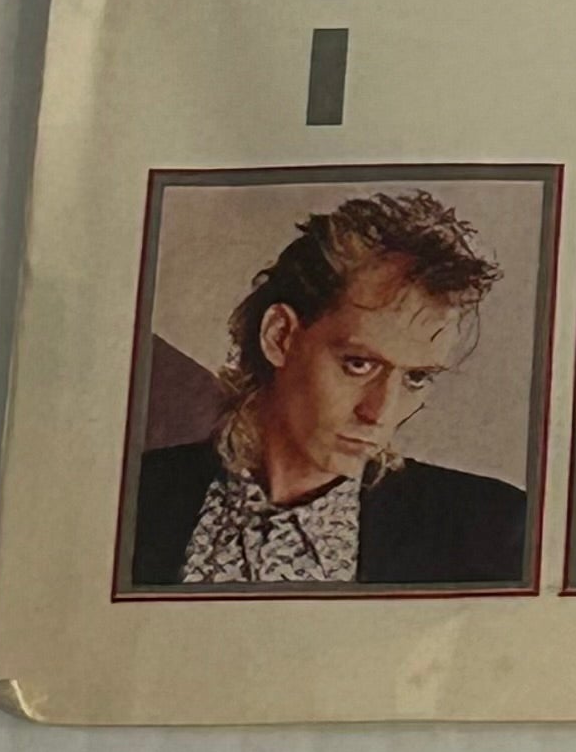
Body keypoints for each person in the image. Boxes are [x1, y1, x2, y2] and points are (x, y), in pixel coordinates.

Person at [129, 189, 527, 588]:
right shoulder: (135, 494)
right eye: (358, 364)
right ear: (280, 336)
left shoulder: (491, 531)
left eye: (416, 377)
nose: (380, 412)